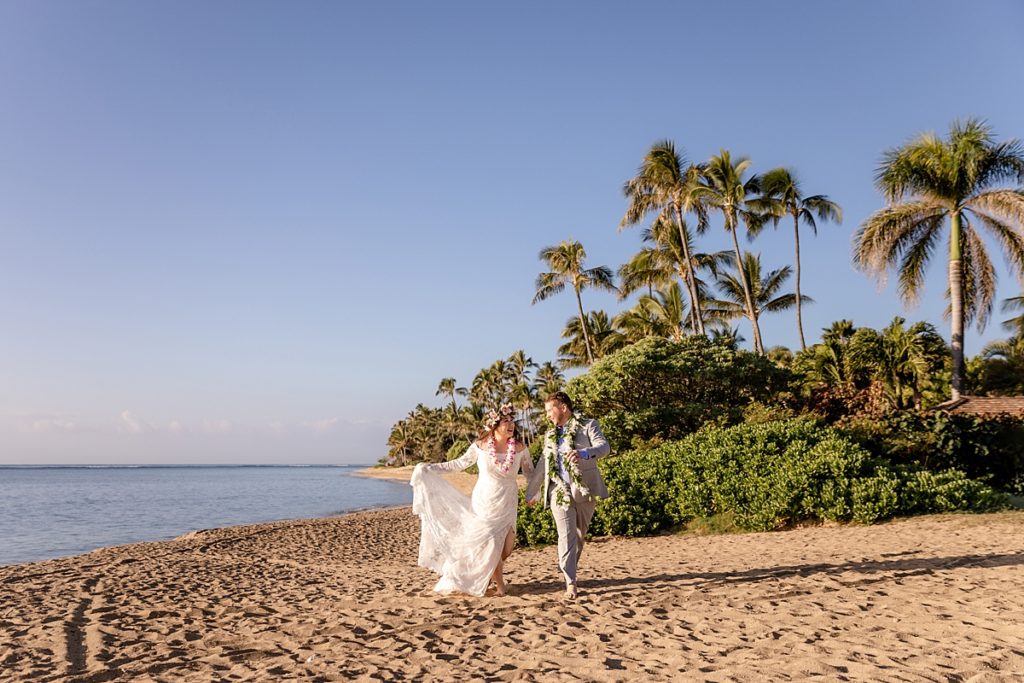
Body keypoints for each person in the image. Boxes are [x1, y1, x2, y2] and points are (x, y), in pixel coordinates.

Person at [410, 403, 533, 597]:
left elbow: (530, 474)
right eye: (506, 422)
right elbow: (458, 463)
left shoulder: (519, 448)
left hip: (508, 501)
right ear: (494, 425)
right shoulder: (481, 446)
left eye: (512, 421)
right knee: (489, 544)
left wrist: (533, 494)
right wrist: (430, 468)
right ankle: (501, 588)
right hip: (484, 500)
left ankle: (486, 579)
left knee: (506, 549)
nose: (511, 425)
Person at [525, 391, 610, 599]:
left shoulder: (588, 425)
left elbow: (604, 447)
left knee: (579, 536)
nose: (547, 415)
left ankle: (568, 566)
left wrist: (584, 453)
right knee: (566, 535)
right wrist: (531, 493)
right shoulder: (549, 435)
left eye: (549, 410)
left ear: (563, 407)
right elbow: (543, 465)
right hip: (558, 491)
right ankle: (570, 582)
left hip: (584, 489)